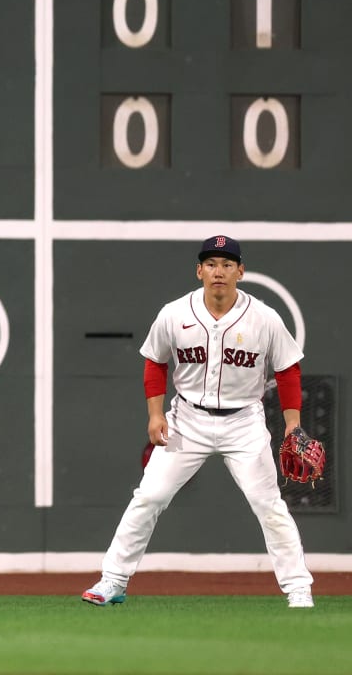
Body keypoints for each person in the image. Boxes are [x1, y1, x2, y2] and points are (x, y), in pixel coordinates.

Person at [81, 235, 314, 608]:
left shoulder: (264, 317)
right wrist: (155, 414)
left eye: (226, 264)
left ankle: (298, 588)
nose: (218, 271)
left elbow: (288, 370)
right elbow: (155, 362)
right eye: (211, 264)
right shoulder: (174, 313)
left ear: (240, 271)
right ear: (199, 271)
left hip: (244, 423)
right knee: (150, 496)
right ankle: (113, 580)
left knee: (268, 504)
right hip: (186, 420)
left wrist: (292, 424)